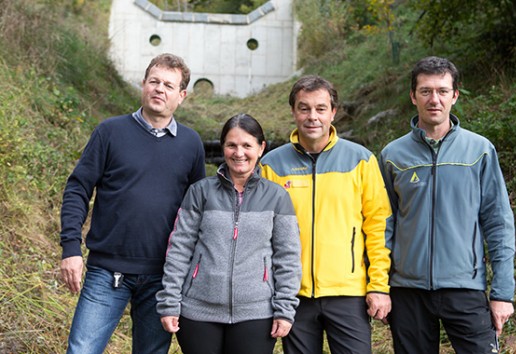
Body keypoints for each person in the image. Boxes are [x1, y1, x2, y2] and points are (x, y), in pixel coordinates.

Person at [59, 53, 206, 354]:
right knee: (81, 350)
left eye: (168, 84)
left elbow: (196, 211)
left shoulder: (192, 145)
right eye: (154, 81)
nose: (159, 89)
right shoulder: (110, 132)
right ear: (143, 84)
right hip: (106, 271)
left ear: (182, 95)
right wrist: (71, 248)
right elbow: (77, 188)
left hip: (163, 276)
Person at [379, 56, 516, 353]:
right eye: (426, 91)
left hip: (465, 287)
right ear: (413, 96)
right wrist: (379, 286)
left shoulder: (479, 150)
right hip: (408, 291)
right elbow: (382, 226)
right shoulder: (392, 155)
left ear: (455, 95)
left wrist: (502, 292)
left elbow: (498, 222)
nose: (434, 99)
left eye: (442, 91)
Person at [260, 75, 393, 354]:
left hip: (349, 293)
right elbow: (260, 234)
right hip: (292, 294)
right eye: (304, 108)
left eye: (321, 108)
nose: (312, 117)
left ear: (333, 112)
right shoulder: (271, 165)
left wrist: (378, 285)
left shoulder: (361, 160)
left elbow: (378, 226)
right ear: (293, 111)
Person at [156, 113, 302, 354]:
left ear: (261, 147)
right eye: (231, 145)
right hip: (198, 312)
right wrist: (170, 302)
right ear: (223, 147)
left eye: (247, 145)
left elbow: (288, 258)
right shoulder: (199, 192)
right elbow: (179, 249)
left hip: (257, 313)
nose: (239, 153)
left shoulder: (277, 197)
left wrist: (284, 310)